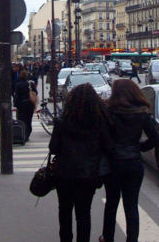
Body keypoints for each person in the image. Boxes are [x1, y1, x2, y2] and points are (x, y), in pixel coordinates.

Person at [49, 84, 112, 242]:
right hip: (88, 173)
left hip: (64, 174)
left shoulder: (62, 122)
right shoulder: (98, 123)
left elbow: (54, 148)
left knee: (64, 210)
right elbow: (108, 146)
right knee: (84, 213)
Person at [100, 79, 159, 242]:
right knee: (131, 205)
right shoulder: (141, 113)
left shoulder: (109, 112)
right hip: (133, 162)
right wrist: (139, 148)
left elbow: (103, 139)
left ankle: (107, 238)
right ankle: (132, 240)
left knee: (111, 204)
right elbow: (155, 139)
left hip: (113, 163)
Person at [14, 70, 36, 141]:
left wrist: (16, 105)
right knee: (29, 120)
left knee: (22, 120)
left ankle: (23, 134)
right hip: (30, 105)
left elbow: (17, 96)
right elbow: (35, 92)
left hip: (21, 105)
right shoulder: (30, 84)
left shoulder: (18, 84)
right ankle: (28, 134)